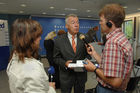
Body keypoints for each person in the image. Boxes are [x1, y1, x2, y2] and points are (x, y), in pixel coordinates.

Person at [84, 4, 133, 93]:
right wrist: (94, 53)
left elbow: (115, 82)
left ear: (110, 23)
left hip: (108, 90)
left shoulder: (113, 43)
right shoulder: (120, 37)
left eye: (101, 20)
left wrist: (94, 69)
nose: (99, 23)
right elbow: (108, 66)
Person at [7, 18, 56, 93]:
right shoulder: (33, 69)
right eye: (37, 36)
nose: (40, 38)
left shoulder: (14, 58)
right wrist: (51, 89)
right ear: (28, 38)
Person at [53, 14, 90, 93]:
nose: (76, 25)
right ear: (67, 26)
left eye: (78, 22)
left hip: (80, 75)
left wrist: (85, 62)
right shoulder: (59, 40)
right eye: (73, 23)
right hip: (66, 76)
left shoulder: (84, 37)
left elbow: (88, 55)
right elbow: (56, 58)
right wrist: (64, 63)